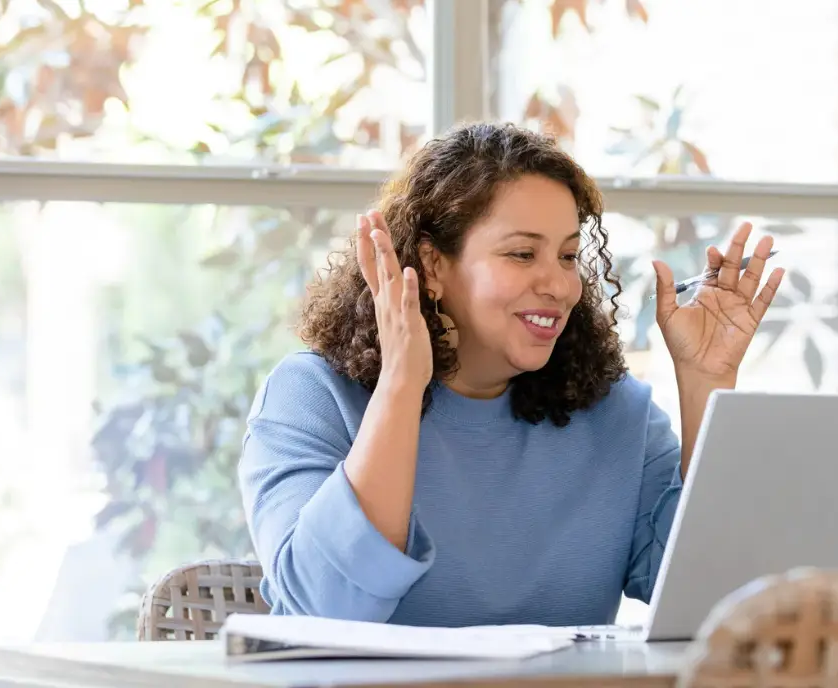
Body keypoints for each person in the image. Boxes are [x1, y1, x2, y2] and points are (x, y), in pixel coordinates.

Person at [238, 121, 784, 627]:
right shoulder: (312, 397)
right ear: (432, 265)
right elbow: (324, 611)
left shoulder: (618, 414)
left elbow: (721, 605)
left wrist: (705, 383)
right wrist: (401, 384)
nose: (560, 285)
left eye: (568, 257)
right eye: (523, 254)